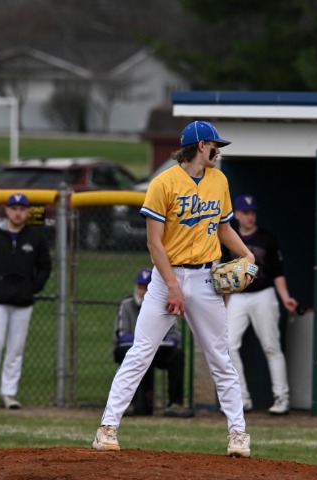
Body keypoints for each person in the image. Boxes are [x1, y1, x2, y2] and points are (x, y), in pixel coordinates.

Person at [93, 120, 256, 458]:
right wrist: (172, 286)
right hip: (167, 277)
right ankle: (107, 428)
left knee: (220, 356)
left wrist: (246, 254)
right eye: (215, 146)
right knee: (141, 352)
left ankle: (238, 434)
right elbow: (154, 243)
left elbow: (223, 228)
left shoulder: (219, 180)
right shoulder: (163, 183)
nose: (218, 151)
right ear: (201, 146)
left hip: (206, 278)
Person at [0, 193, 52, 409]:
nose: (18, 213)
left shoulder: (35, 238)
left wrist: (33, 287)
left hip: (22, 301)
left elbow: (45, 266)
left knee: (16, 348)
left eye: (22, 209)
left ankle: (8, 394)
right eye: (14, 208)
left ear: (28, 212)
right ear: (7, 210)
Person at [223, 194, 298, 415]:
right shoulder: (228, 237)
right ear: (237, 214)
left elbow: (277, 273)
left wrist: (286, 297)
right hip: (237, 296)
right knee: (229, 346)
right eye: (246, 213)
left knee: (271, 347)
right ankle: (241, 398)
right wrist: (225, 302)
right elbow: (225, 274)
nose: (250, 217)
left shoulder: (267, 239)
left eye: (253, 213)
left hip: (264, 294)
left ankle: (281, 397)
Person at [113, 268, 193, 418]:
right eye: (140, 287)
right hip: (133, 349)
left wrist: (156, 345)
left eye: (146, 288)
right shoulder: (127, 304)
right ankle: (127, 404)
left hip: (159, 350)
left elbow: (174, 336)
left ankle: (175, 404)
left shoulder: (166, 303)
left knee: (177, 355)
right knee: (126, 354)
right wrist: (146, 344)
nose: (142, 292)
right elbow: (122, 335)